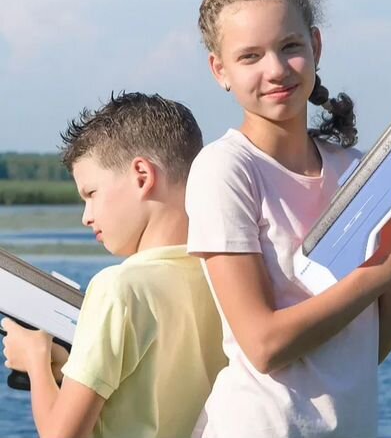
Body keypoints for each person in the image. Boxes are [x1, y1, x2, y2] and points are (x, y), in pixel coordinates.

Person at [185, 0, 391, 438]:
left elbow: (365, 350)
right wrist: (390, 264)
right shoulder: (225, 170)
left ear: (316, 46)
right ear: (220, 70)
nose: (276, 69)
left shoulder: (357, 169)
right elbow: (263, 345)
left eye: (290, 47)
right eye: (250, 56)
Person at [2, 92, 226, 438]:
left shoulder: (118, 289)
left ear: (141, 175)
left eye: (91, 194)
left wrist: (35, 360)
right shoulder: (228, 273)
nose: (85, 217)